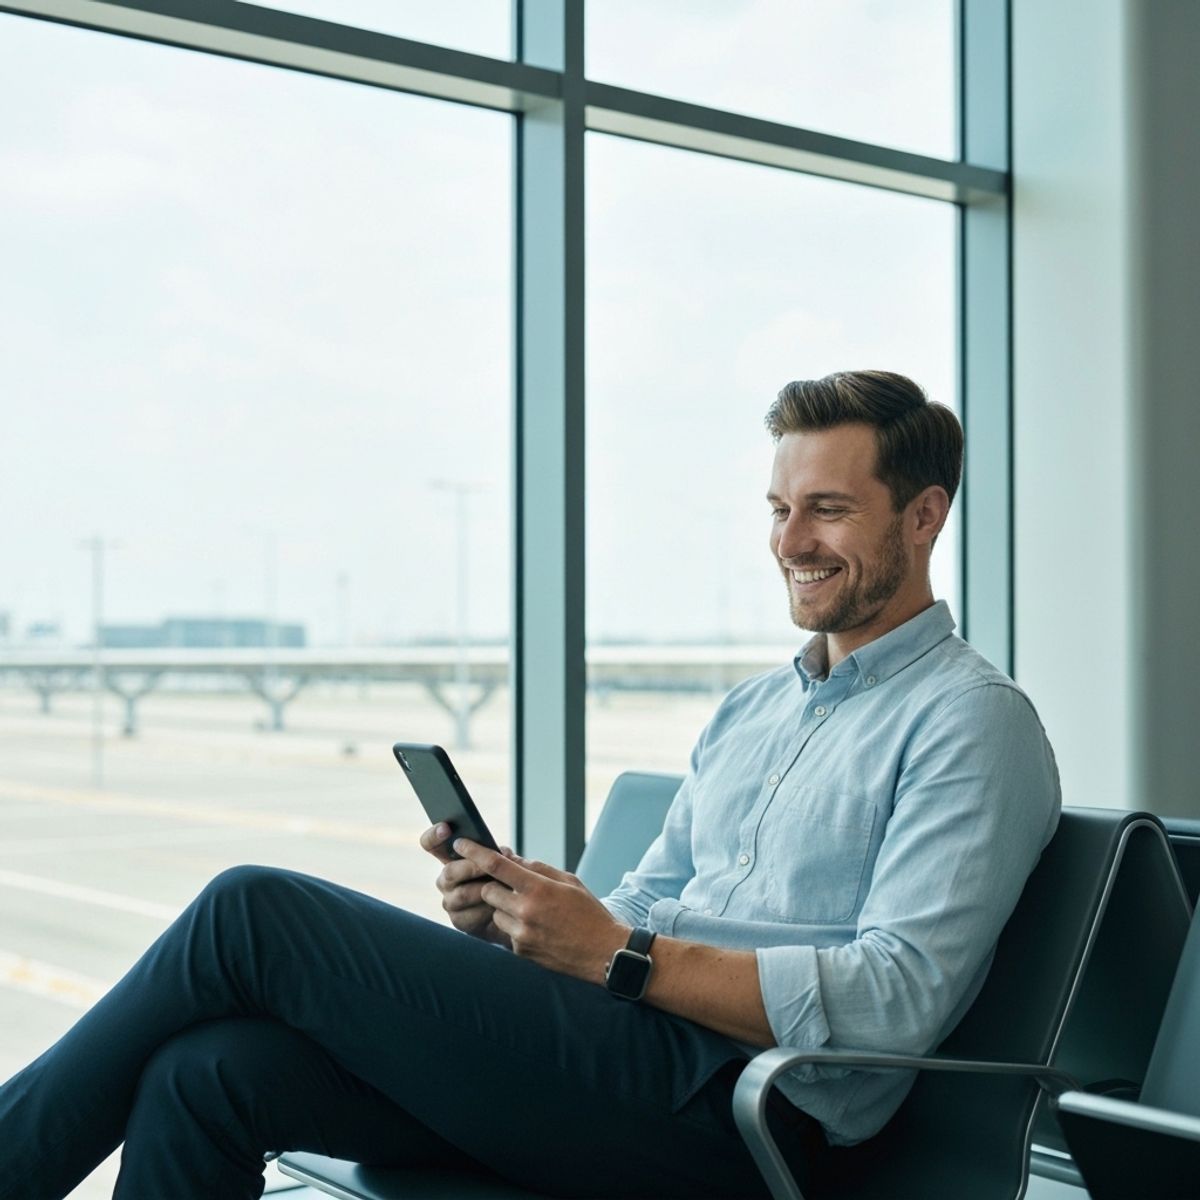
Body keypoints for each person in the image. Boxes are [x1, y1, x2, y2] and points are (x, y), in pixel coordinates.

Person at [0, 371, 1060, 1200]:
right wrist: (529, 920)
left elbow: (895, 998)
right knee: (209, 1072)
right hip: (627, 1060)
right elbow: (642, 910)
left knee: (254, 911)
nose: (789, 542)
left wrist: (615, 955)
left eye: (826, 509)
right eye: (779, 508)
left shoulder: (972, 721)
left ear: (923, 516)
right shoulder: (753, 711)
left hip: (746, 1116)